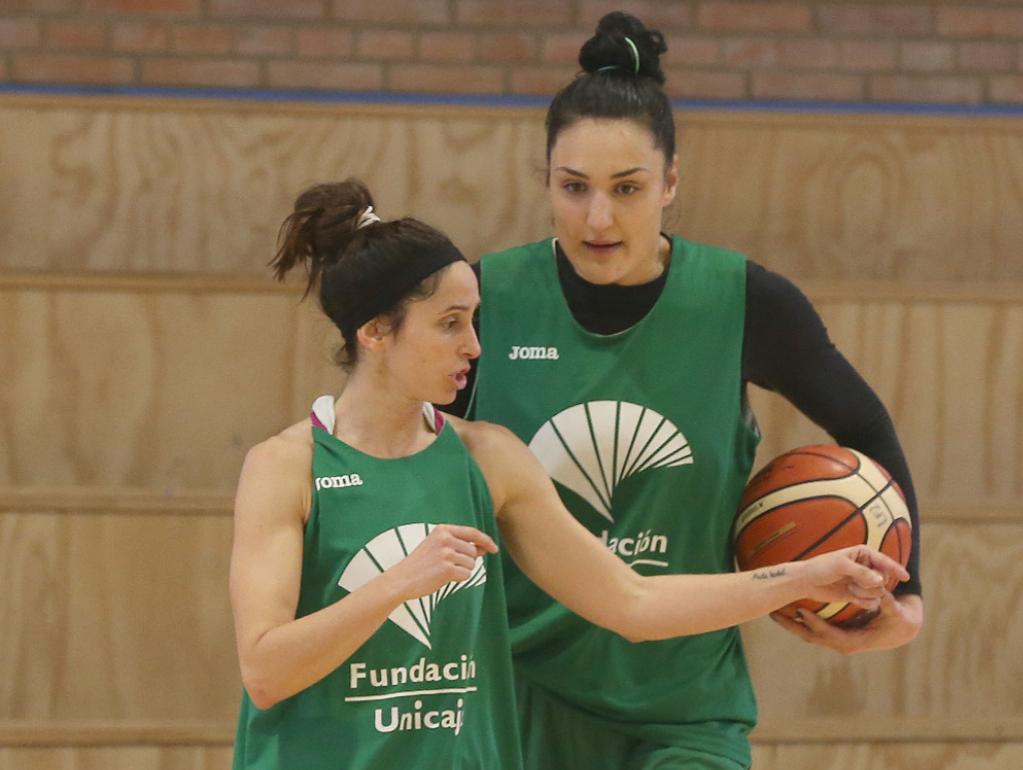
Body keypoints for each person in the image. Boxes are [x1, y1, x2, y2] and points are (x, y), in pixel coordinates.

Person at [228, 179, 908, 769]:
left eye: (475, 320)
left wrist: (805, 575)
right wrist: (398, 583)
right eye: (450, 323)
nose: (475, 346)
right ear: (376, 333)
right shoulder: (287, 468)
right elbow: (265, 670)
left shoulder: (489, 459)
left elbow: (632, 604)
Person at [448, 11, 925, 770]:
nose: (598, 217)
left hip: (686, 711)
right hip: (518, 699)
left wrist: (908, 595)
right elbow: (402, 462)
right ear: (546, 181)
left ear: (671, 182)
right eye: (574, 188)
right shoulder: (484, 298)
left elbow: (863, 421)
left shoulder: (744, 301)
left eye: (627, 188)